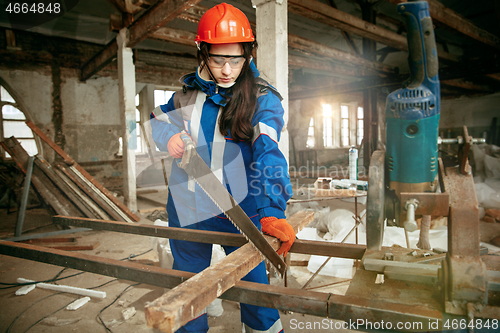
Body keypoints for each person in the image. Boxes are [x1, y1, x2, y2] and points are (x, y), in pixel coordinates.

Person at [150, 3, 295, 332]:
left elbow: (268, 153)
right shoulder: (187, 95)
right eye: (217, 59)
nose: (227, 69)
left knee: (258, 300)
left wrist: (272, 209)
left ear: (248, 53)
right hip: (188, 213)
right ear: (202, 51)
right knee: (189, 297)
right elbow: (154, 121)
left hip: (241, 214)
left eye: (236, 59)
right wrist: (169, 135)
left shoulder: (263, 99)